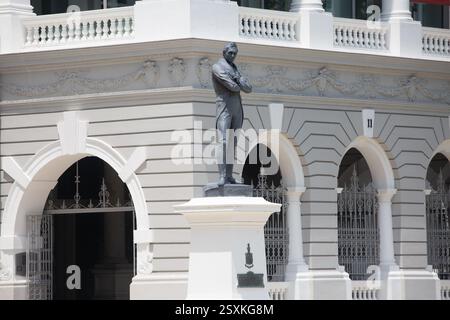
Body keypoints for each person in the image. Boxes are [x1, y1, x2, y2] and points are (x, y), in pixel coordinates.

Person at [212, 42, 252, 185]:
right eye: (230, 53)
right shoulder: (217, 67)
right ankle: (222, 176)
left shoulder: (235, 69)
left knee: (233, 143)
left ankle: (229, 176)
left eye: (235, 53)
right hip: (224, 109)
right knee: (223, 142)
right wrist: (238, 80)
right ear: (224, 53)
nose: (233, 55)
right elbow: (233, 86)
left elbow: (248, 88)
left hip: (237, 109)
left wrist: (238, 80)